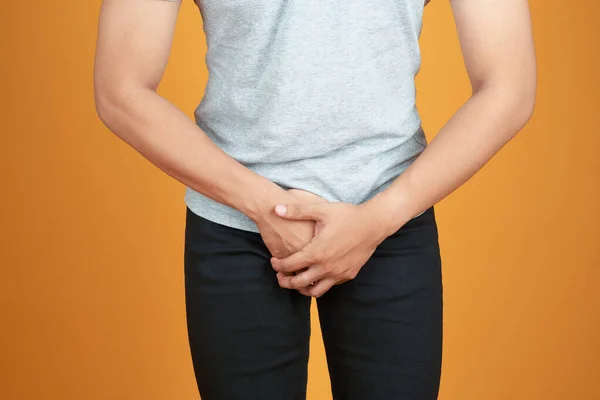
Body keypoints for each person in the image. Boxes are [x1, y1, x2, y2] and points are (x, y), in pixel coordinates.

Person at [93, 0, 536, 398]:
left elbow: (508, 85)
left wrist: (380, 218)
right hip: (235, 223)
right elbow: (121, 89)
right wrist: (261, 205)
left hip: (389, 221)